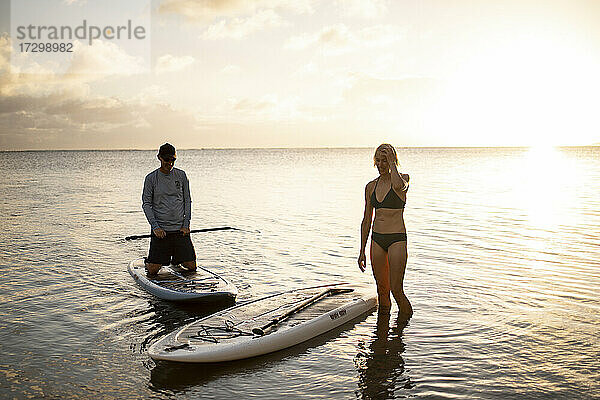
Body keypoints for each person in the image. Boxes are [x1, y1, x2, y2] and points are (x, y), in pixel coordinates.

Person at [358, 143, 413, 320]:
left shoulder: (403, 178)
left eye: (385, 160)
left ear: (393, 161)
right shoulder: (370, 187)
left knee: (396, 289)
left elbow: (398, 186)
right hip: (377, 240)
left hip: (397, 239)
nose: (381, 164)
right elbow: (367, 220)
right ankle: (381, 335)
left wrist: (392, 164)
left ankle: (404, 328)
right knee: (382, 291)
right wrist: (361, 250)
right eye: (378, 160)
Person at [142, 143, 196, 276]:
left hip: (180, 230)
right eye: (167, 160)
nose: (170, 163)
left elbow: (187, 200)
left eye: (173, 160)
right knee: (153, 270)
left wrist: (186, 224)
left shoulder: (182, 175)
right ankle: (149, 261)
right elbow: (146, 204)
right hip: (161, 231)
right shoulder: (151, 178)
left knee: (191, 267)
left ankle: (176, 259)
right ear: (159, 158)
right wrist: (155, 227)